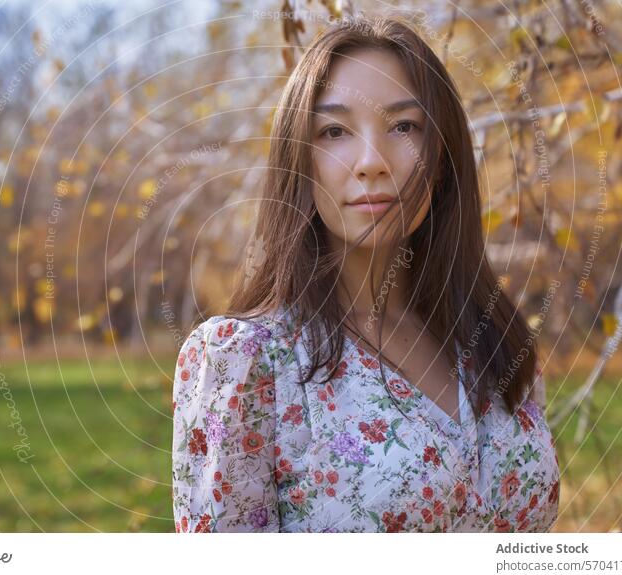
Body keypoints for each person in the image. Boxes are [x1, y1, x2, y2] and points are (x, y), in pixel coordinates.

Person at [171, 15, 560, 533]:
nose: (372, 162)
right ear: (299, 162)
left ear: (442, 158)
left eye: (404, 126)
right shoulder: (242, 361)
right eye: (334, 131)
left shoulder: (496, 336)